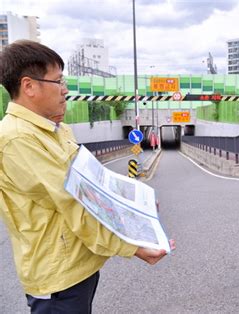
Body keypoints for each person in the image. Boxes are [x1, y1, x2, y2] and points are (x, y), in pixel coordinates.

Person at [0, 40, 172, 313]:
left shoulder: (56, 129)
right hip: (57, 277)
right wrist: (131, 246)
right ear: (29, 86)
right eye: (58, 81)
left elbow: (96, 182)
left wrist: (139, 208)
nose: (65, 89)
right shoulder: (18, 139)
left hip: (78, 266)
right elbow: (75, 201)